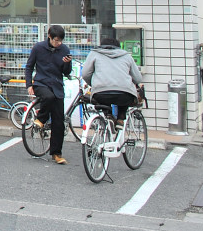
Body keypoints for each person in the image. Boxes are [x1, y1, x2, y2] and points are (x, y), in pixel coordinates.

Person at [24, 24, 73, 164]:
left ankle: (56, 153)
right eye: (56, 40)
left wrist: (67, 64)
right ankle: (41, 119)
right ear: (49, 37)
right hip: (41, 83)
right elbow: (29, 67)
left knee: (59, 122)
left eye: (60, 41)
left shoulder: (64, 50)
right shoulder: (38, 48)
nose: (58, 43)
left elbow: (66, 72)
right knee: (48, 97)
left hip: (57, 85)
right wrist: (29, 85)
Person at [81, 36, 143, 126]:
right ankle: (121, 118)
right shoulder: (126, 56)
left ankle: (108, 115)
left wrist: (94, 84)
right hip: (124, 94)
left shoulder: (94, 54)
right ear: (118, 47)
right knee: (124, 97)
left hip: (100, 92)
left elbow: (85, 74)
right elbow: (138, 78)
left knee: (104, 100)